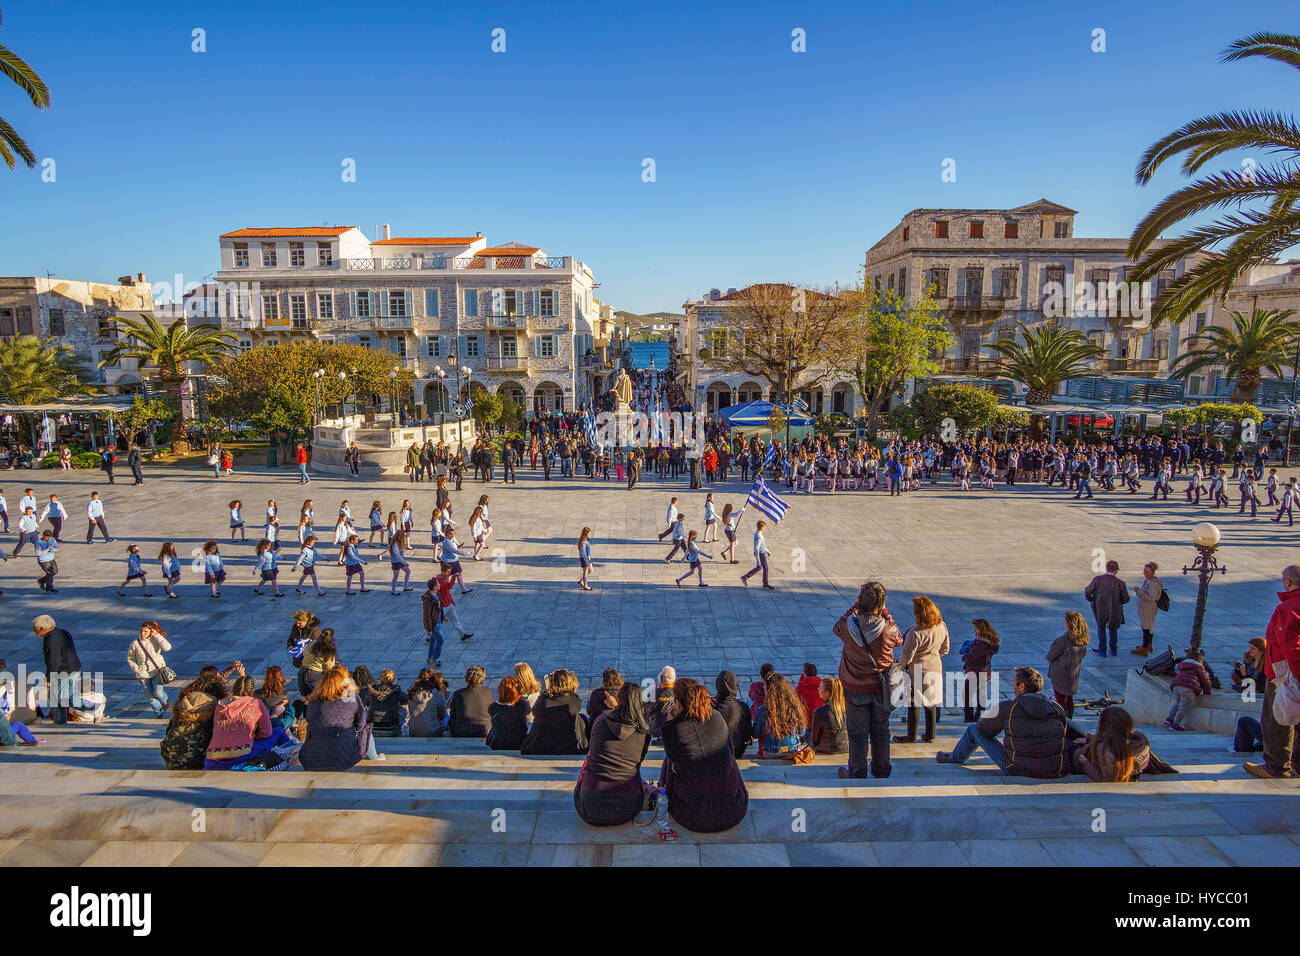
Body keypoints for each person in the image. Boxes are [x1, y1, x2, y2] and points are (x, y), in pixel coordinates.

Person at [937, 667, 1074, 778]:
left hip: (1017, 768)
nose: (1013, 686)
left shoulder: (1008, 708)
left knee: (973, 729)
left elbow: (983, 731)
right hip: (1054, 769)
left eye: (1014, 683)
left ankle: (955, 757)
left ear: (1022, 687)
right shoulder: (1056, 708)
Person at [658, 678, 749, 833]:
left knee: (670, 761)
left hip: (691, 815)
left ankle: (661, 791)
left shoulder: (671, 729)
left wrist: (674, 720)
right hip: (734, 810)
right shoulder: (717, 717)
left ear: (678, 704)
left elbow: (675, 759)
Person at [833, 581, 903, 779]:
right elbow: (899, 639)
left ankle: (857, 771)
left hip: (854, 687)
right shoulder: (888, 629)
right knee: (881, 731)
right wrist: (887, 614)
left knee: (857, 733)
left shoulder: (848, 627)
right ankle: (881, 769)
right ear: (880, 604)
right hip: (882, 688)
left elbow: (836, 627)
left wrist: (853, 608)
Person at [574, 682, 652, 826]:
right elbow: (638, 763)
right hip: (628, 807)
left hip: (590, 807)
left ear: (619, 700)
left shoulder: (601, 722)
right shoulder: (643, 733)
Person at [205, 675, 292, 769]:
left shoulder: (220, 704)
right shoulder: (256, 703)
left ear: (234, 688)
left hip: (212, 761)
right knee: (279, 731)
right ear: (252, 690)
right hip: (241, 757)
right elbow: (266, 733)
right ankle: (292, 761)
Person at [895, 595, 950, 744]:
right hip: (935, 667)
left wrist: (901, 666)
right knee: (931, 703)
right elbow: (945, 649)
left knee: (914, 703)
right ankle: (930, 735)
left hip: (918, 670)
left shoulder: (915, 633)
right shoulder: (941, 626)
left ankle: (911, 735)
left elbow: (907, 656)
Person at [299, 666, 369, 772]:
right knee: (366, 729)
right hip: (342, 758)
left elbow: (309, 720)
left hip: (311, 760)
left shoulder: (313, 701)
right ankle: (373, 756)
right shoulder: (351, 697)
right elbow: (361, 724)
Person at [160, 672, 224, 769]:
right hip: (197, 759)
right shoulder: (214, 704)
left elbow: (169, 729)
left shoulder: (183, 702)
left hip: (171, 758)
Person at [1071, 706, 1150, 782]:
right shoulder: (1141, 743)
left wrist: (1085, 763)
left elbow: (1105, 779)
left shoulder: (1106, 753)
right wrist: (1089, 738)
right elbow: (1115, 739)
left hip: (1086, 765)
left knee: (1070, 740)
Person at [522, 669, 588, 754]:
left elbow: (535, 711)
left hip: (545, 741)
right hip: (567, 742)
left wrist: (546, 692)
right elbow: (577, 708)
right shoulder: (574, 699)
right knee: (581, 718)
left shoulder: (544, 699)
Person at [34, 615, 80, 726]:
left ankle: (88, 707)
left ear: (41, 629)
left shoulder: (51, 640)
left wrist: (49, 678)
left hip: (65, 671)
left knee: (61, 697)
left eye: (34, 628)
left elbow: (54, 661)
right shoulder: (62, 632)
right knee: (54, 697)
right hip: (72, 668)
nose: (33, 630)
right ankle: (59, 721)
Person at [1045, 610, 1089, 719]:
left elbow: (1050, 656)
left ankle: (1064, 723)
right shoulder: (1082, 641)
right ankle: (1070, 719)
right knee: (1069, 700)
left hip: (1060, 676)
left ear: (1069, 624)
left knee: (1061, 702)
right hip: (1073, 676)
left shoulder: (1063, 641)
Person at [753, 672, 808, 758]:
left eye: (765, 686)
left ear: (769, 690)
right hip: (792, 751)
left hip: (771, 752)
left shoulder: (763, 710)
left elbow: (756, 734)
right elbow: (802, 732)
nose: (763, 687)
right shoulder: (795, 707)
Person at [127, 620, 173, 718]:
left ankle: (164, 701)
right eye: (141, 631)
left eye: (145, 631)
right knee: (151, 697)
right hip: (143, 673)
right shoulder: (135, 643)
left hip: (157, 670)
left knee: (158, 693)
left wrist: (157, 636)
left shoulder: (156, 639)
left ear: (151, 631)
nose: (142, 633)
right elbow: (130, 658)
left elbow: (167, 648)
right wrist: (137, 669)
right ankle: (158, 714)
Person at [1084, 559, 1129, 657]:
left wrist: (1091, 599)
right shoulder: (1120, 583)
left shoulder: (1098, 579)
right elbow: (1126, 599)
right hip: (1115, 610)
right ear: (1116, 571)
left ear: (1106, 568)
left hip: (1100, 609)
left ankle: (1102, 650)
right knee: (1113, 629)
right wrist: (1118, 602)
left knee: (1101, 628)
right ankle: (1113, 650)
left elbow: (1087, 591)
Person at [960, 618, 1000, 722]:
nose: (974, 631)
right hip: (984, 672)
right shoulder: (990, 642)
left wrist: (964, 656)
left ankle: (970, 717)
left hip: (975, 673)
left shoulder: (980, 645)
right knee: (981, 693)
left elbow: (971, 658)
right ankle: (980, 715)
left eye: (976, 629)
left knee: (967, 695)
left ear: (980, 630)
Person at [1166, 647, 1212, 731]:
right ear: (1200, 661)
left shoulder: (1183, 665)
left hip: (1176, 686)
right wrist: (1208, 692)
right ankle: (1175, 724)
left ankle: (1169, 719)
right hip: (1187, 688)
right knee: (1183, 706)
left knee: (1177, 703)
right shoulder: (1199, 668)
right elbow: (1205, 681)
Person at [712, 669, 753, 758]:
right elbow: (747, 734)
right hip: (736, 751)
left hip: (713, 753)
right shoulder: (743, 707)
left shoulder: (709, 706)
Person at [486, 676, 531, 750]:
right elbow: (528, 711)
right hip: (518, 743)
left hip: (498, 744)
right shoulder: (523, 705)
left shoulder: (493, 707)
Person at [448, 665, 492, 737]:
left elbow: (453, 715)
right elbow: (492, 712)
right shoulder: (488, 692)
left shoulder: (458, 693)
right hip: (484, 732)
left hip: (461, 733)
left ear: (467, 678)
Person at [360, 669, 407, 737]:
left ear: (381, 679)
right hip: (391, 728)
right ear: (392, 679)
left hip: (373, 728)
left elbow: (365, 703)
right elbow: (405, 701)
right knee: (403, 708)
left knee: (366, 709)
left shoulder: (372, 691)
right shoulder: (396, 690)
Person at [1132, 562, 1164, 657]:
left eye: (1148, 572)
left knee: (1146, 628)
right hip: (1146, 608)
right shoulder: (1149, 581)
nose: (1145, 573)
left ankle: (1144, 648)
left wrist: (1138, 591)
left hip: (1148, 609)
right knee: (1149, 627)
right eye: (1144, 571)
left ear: (1153, 572)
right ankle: (1149, 645)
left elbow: (1151, 598)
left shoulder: (1153, 584)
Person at [810, 677, 848, 754]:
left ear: (826, 694)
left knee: (807, 733)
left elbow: (815, 740)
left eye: (820, 687)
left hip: (827, 750)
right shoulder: (847, 709)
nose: (818, 689)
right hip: (845, 748)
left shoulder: (819, 712)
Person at [408, 670, 449, 737]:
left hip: (414, 731)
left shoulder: (412, 693)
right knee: (448, 718)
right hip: (432, 731)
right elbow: (444, 715)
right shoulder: (437, 694)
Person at [740, 519, 774, 589]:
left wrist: (767, 551)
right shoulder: (759, 536)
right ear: (762, 527)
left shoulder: (758, 534)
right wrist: (758, 559)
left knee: (759, 567)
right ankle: (765, 584)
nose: (764, 528)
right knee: (765, 568)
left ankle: (745, 577)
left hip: (761, 552)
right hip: (760, 554)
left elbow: (762, 545)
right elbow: (757, 547)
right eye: (764, 527)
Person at [647, 665, 676, 741]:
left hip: (657, 731)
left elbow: (646, 709)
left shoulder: (654, 693)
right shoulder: (678, 692)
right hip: (674, 729)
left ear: (662, 679)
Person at [577, 526, 594, 591]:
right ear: (586, 533)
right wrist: (587, 561)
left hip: (587, 557)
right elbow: (584, 553)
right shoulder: (583, 542)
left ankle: (581, 581)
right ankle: (585, 585)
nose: (589, 534)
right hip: (584, 558)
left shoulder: (586, 539)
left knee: (591, 570)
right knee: (585, 571)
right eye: (589, 533)